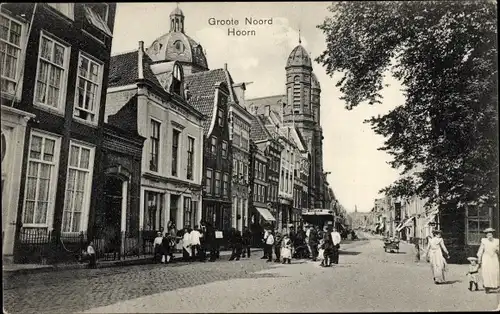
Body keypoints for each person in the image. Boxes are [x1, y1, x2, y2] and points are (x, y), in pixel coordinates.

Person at [477, 227, 499, 293]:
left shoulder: (496, 241)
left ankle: (495, 285)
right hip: (486, 258)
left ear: (492, 235)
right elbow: (480, 250)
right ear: (486, 235)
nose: (489, 236)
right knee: (486, 272)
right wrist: (479, 260)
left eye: (491, 234)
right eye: (488, 234)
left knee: (494, 271)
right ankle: (487, 286)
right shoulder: (484, 241)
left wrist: (497, 250)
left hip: (494, 258)